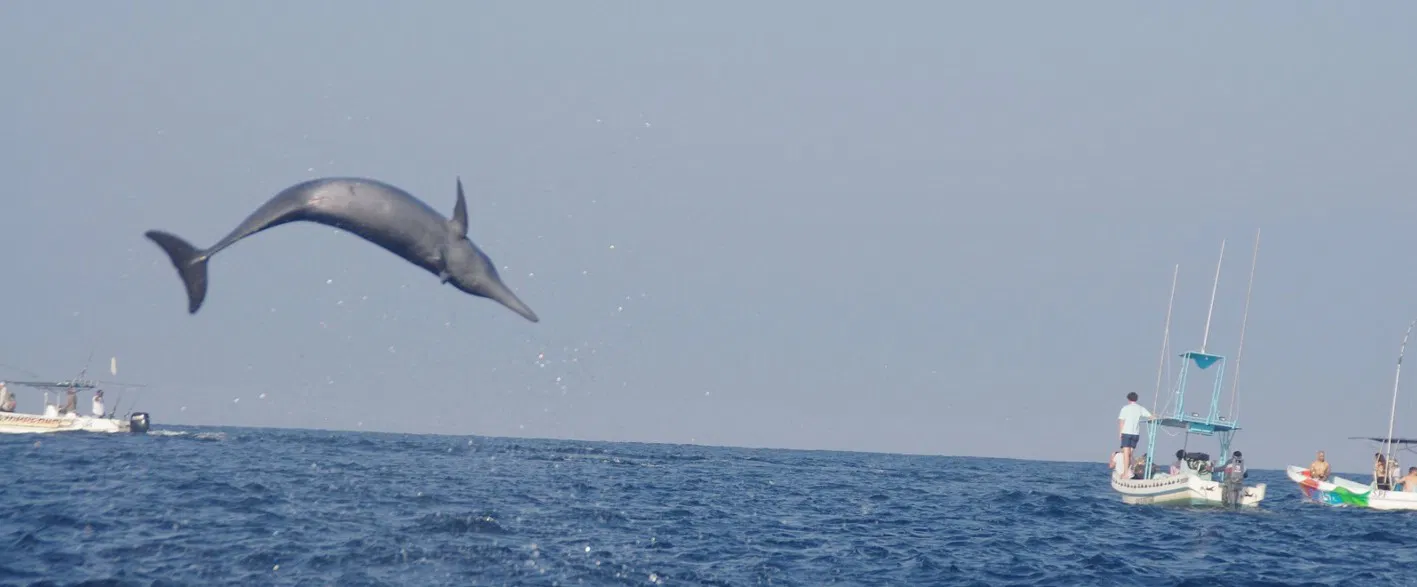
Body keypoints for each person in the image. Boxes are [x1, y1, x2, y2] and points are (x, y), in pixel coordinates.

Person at [1117, 392, 1154, 473]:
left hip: (1126, 433)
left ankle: (1125, 472)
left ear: (1128, 399)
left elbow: (1122, 421)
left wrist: (1120, 433)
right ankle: (1130, 470)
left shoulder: (1125, 408)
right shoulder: (1140, 408)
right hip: (1136, 434)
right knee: (1131, 454)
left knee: (1126, 454)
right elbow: (1151, 416)